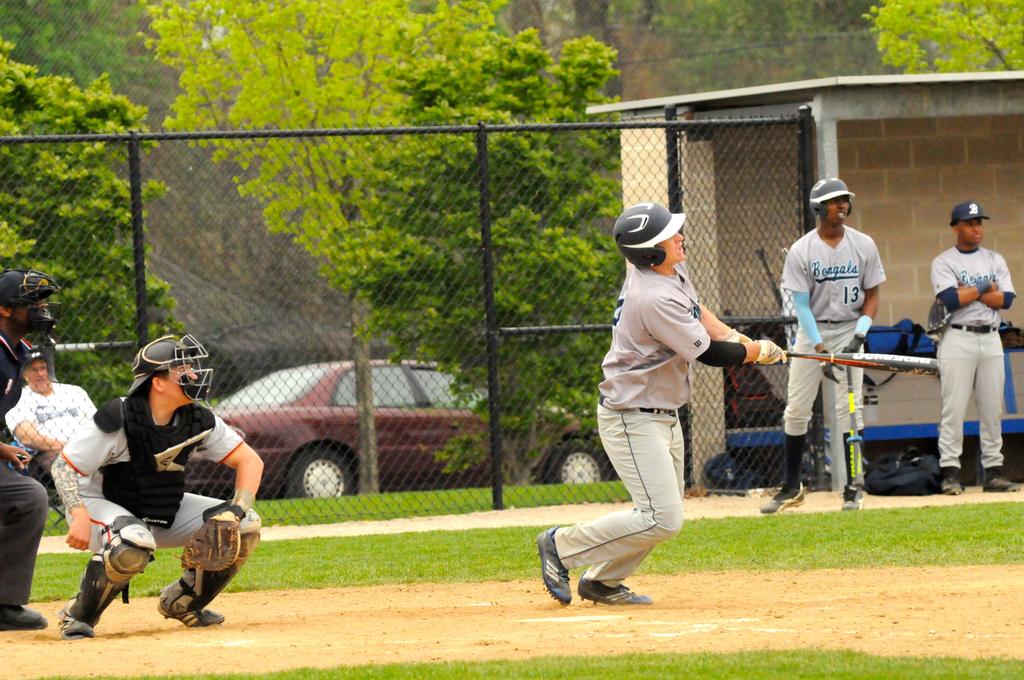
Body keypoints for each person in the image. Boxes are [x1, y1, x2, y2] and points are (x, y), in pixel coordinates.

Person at [536, 202, 787, 606]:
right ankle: (560, 546)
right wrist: (754, 352)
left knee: (658, 514)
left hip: (661, 412)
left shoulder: (666, 272)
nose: (680, 236)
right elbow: (708, 356)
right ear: (651, 253)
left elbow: (697, 313)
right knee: (662, 517)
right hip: (630, 416)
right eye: (670, 236)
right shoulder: (651, 297)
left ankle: (602, 580)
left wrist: (739, 338)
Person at [51, 334, 265, 640]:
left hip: (160, 507)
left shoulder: (200, 418)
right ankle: (78, 615)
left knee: (246, 524)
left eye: (192, 365)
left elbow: (250, 461)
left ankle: (183, 601)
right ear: (158, 382)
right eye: (181, 368)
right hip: (99, 504)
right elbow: (63, 466)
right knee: (131, 543)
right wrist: (78, 513)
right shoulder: (120, 416)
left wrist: (235, 510)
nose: (193, 373)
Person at [761, 177, 886, 514]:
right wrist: (817, 346)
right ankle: (790, 486)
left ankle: (853, 486)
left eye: (844, 199)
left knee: (850, 409)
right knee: (798, 408)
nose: (842, 206)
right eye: (834, 201)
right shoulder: (802, 250)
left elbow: (872, 295)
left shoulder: (864, 245)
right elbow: (801, 306)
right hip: (811, 332)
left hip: (849, 329)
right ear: (818, 208)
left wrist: (861, 333)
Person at [930, 201, 1018, 495]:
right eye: (969, 223)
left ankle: (993, 473)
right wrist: (983, 289)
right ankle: (951, 474)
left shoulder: (995, 259)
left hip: (991, 337)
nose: (976, 228)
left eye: (979, 222)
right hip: (957, 337)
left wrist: (969, 292)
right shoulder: (944, 261)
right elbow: (950, 299)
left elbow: (1005, 300)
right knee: (953, 409)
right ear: (956, 227)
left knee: (992, 409)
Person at [0, 268, 61, 631]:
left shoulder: (17, 351)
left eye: (43, 300)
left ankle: (4, 604)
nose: (41, 308)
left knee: (28, 496)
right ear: (5, 309)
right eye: (32, 302)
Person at [5, 348, 96, 470]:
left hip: (88, 448)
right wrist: (70, 447)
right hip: (48, 454)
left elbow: (96, 425)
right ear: (25, 374)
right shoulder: (19, 398)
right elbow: (27, 437)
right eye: (34, 370)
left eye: (43, 368)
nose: (40, 374)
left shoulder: (75, 392)